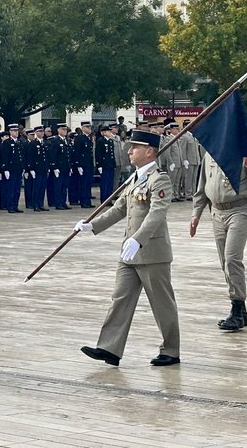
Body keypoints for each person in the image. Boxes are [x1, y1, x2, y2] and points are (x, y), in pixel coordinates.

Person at [76, 130, 180, 367]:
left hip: (151, 252)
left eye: (135, 147)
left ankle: (171, 350)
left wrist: (139, 239)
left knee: (161, 303)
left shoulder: (159, 179)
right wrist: (92, 225)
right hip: (129, 252)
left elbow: (156, 213)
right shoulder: (134, 179)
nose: (129, 150)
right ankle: (109, 348)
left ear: (150, 151)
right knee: (120, 298)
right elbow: (119, 209)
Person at [190, 130, 247, 332]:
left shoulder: (246, 158)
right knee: (224, 262)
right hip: (217, 212)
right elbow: (202, 187)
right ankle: (241, 310)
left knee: (232, 258)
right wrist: (196, 213)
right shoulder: (209, 154)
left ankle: (236, 306)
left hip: (239, 209)